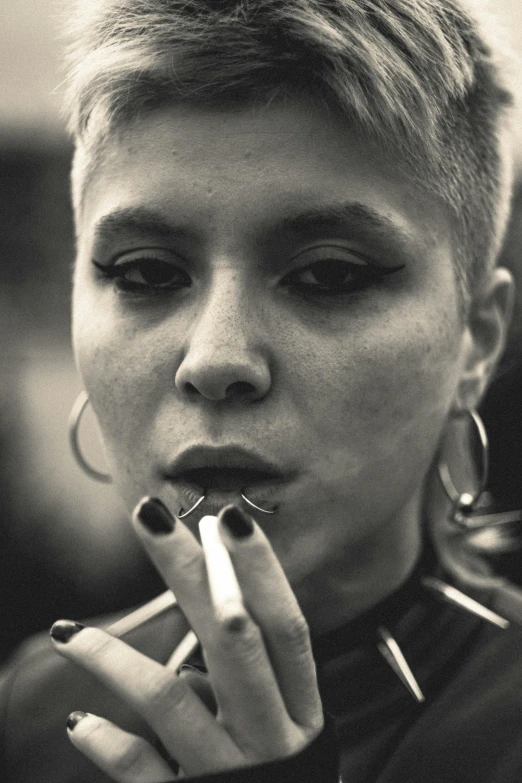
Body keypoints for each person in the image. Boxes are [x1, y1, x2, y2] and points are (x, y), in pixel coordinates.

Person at [1, 0, 521, 781]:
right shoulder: (34, 708)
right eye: (146, 273)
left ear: (477, 340)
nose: (214, 360)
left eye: (329, 275)